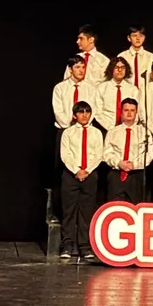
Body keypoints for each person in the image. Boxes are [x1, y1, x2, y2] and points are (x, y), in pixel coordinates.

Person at [59, 102, 103, 259]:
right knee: (69, 211)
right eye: (81, 112)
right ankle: (67, 245)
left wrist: (87, 170)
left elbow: (98, 155)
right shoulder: (68, 133)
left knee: (86, 212)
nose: (84, 115)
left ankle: (85, 246)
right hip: (71, 175)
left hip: (90, 174)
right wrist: (77, 170)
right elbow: (65, 154)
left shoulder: (96, 133)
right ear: (74, 115)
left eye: (87, 112)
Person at [102, 98, 153, 204]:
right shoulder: (113, 131)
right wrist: (119, 163)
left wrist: (134, 164)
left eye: (132, 110)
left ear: (136, 113)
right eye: (126, 110)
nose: (129, 113)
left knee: (134, 206)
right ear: (121, 112)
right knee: (115, 205)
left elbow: (149, 154)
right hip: (116, 174)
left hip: (136, 174)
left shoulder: (144, 132)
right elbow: (107, 152)